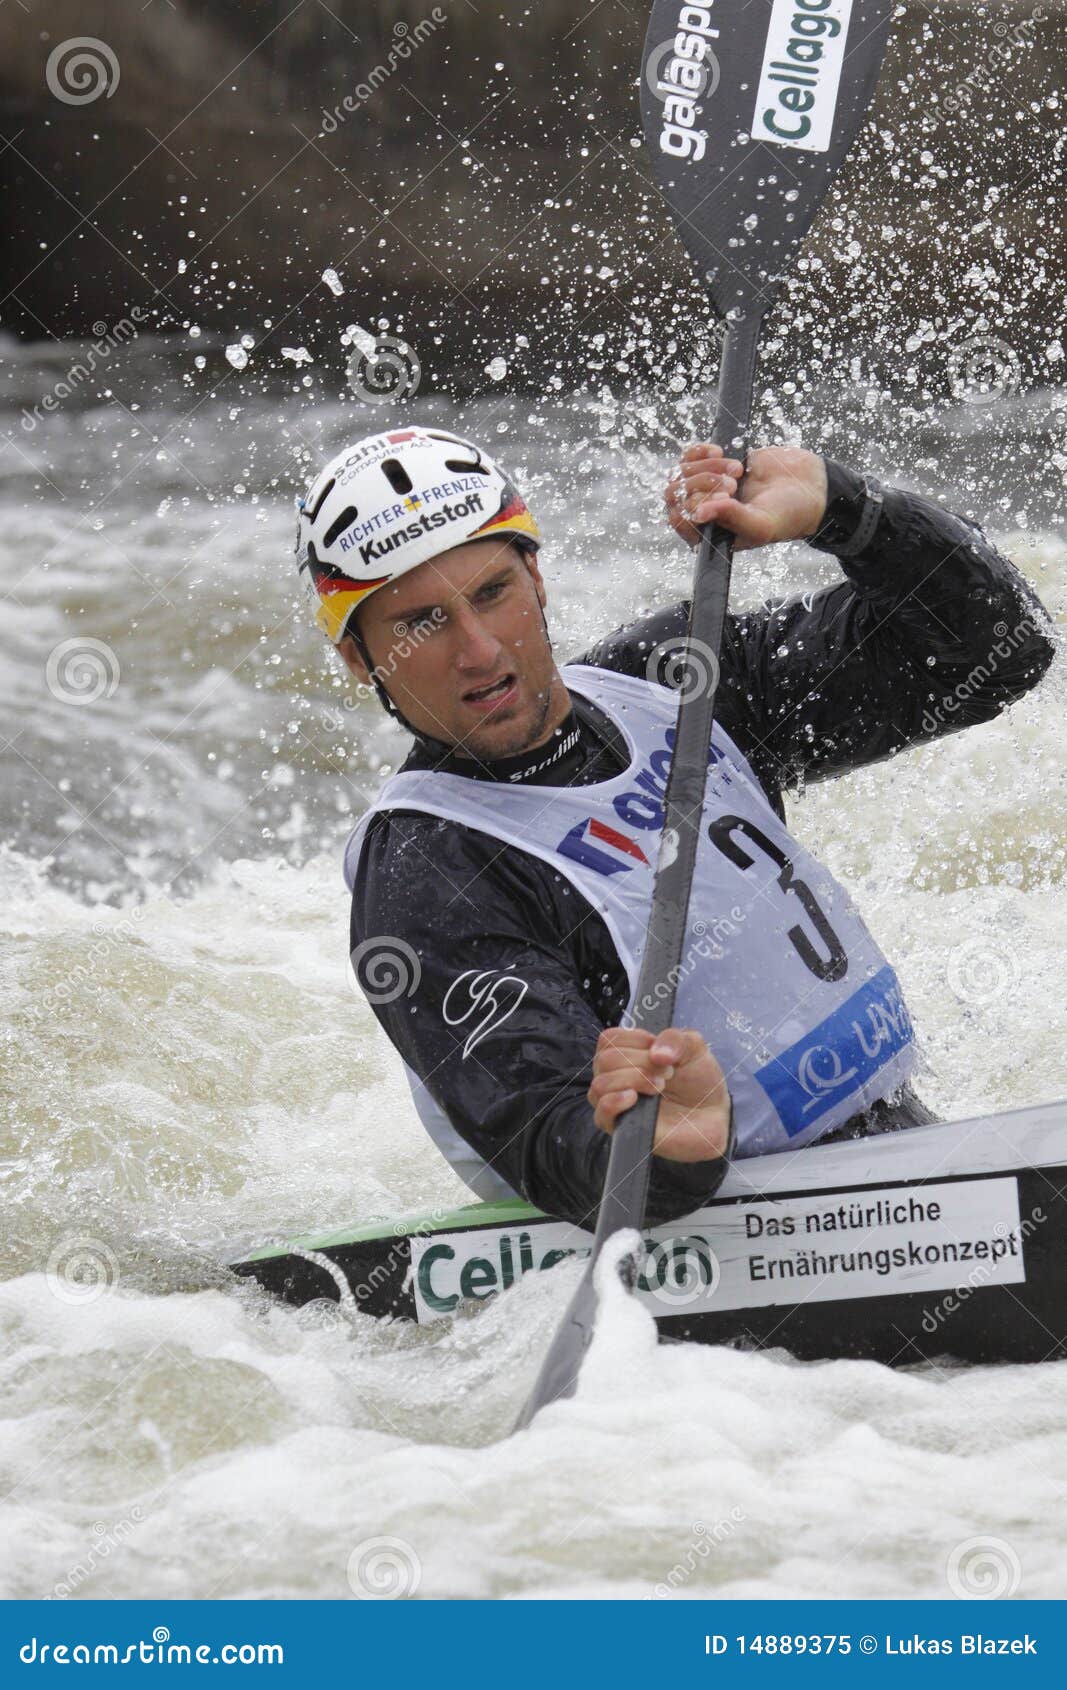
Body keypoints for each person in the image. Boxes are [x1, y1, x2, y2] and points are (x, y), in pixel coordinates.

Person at [295, 425, 1054, 1229]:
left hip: (897, 1160)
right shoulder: (429, 875)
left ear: (537, 577)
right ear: (359, 660)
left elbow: (995, 653)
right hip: (719, 1248)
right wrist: (662, 1145)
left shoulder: (676, 680)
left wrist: (847, 511)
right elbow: (552, 1146)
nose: (479, 651)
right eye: (423, 624)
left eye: (492, 593)